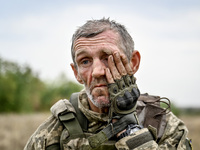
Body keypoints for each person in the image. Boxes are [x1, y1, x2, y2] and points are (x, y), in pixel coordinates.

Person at [24, 18, 192, 150]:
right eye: (85, 61)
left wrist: (129, 129)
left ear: (133, 62)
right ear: (76, 73)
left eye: (107, 57)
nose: (97, 71)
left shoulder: (164, 125)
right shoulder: (54, 131)